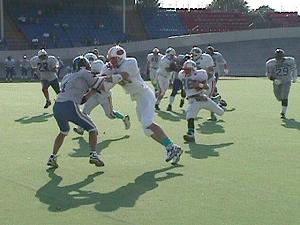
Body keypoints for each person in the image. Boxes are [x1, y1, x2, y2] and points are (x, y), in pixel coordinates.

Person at [101, 45, 183, 164]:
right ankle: (171, 147)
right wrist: (102, 79)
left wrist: (107, 78)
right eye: (110, 59)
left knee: (147, 123)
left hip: (145, 95)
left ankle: (171, 146)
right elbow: (105, 82)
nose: (110, 61)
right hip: (137, 98)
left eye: (113, 58)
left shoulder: (130, 62)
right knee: (147, 130)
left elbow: (124, 76)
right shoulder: (110, 67)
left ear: (120, 57)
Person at [47, 56, 122, 168]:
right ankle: (93, 155)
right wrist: (117, 78)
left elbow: (81, 100)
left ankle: (52, 157)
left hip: (57, 106)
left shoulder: (67, 77)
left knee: (63, 131)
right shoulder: (84, 73)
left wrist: (92, 91)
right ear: (85, 66)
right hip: (69, 105)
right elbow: (101, 84)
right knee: (92, 129)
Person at [73, 54, 130, 135]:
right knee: (84, 112)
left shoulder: (101, 67)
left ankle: (124, 118)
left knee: (110, 115)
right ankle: (81, 129)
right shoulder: (90, 69)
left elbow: (103, 84)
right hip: (93, 94)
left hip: (104, 95)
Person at [178, 60, 224, 142]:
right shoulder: (181, 74)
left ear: (193, 69)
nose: (185, 71)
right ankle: (191, 135)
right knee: (190, 116)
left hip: (202, 98)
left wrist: (199, 85)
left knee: (220, 112)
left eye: (188, 70)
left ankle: (217, 103)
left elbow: (206, 87)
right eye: (185, 69)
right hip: (193, 100)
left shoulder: (200, 74)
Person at [266, 48, 297, 119]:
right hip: (277, 82)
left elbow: (294, 69)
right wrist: (274, 79)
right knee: (278, 97)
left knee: (284, 96)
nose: (279, 60)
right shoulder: (270, 63)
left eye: (280, 57)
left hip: (287, 81)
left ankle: (283, 112)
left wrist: (294, 77)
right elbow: (268, 74)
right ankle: (282, 101)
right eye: (277, 58)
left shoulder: (290, 61)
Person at [191, 46, 219, 121]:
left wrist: (203, 82)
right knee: (197, 97)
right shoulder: (191, 61)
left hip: (209, 81)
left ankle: (213, 115)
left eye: (193, 55)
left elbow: (211, 72)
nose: (192, 57)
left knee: (208, 98)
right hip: (200, 82)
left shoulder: (206, 58)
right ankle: (194, 114)